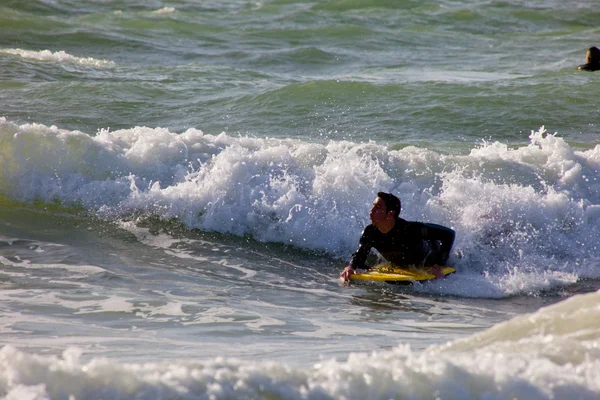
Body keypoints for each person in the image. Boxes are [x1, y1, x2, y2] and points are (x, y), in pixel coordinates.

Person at [340, 192, 455, 281]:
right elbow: (360, 255)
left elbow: (449, 234)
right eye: (373, 206)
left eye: (378, 207)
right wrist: (351, 267)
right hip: (401, 261)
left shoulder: (410, 229)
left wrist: (439, 265)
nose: (371, 210)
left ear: (390, 213)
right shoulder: (370, 232)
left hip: (430, 255)